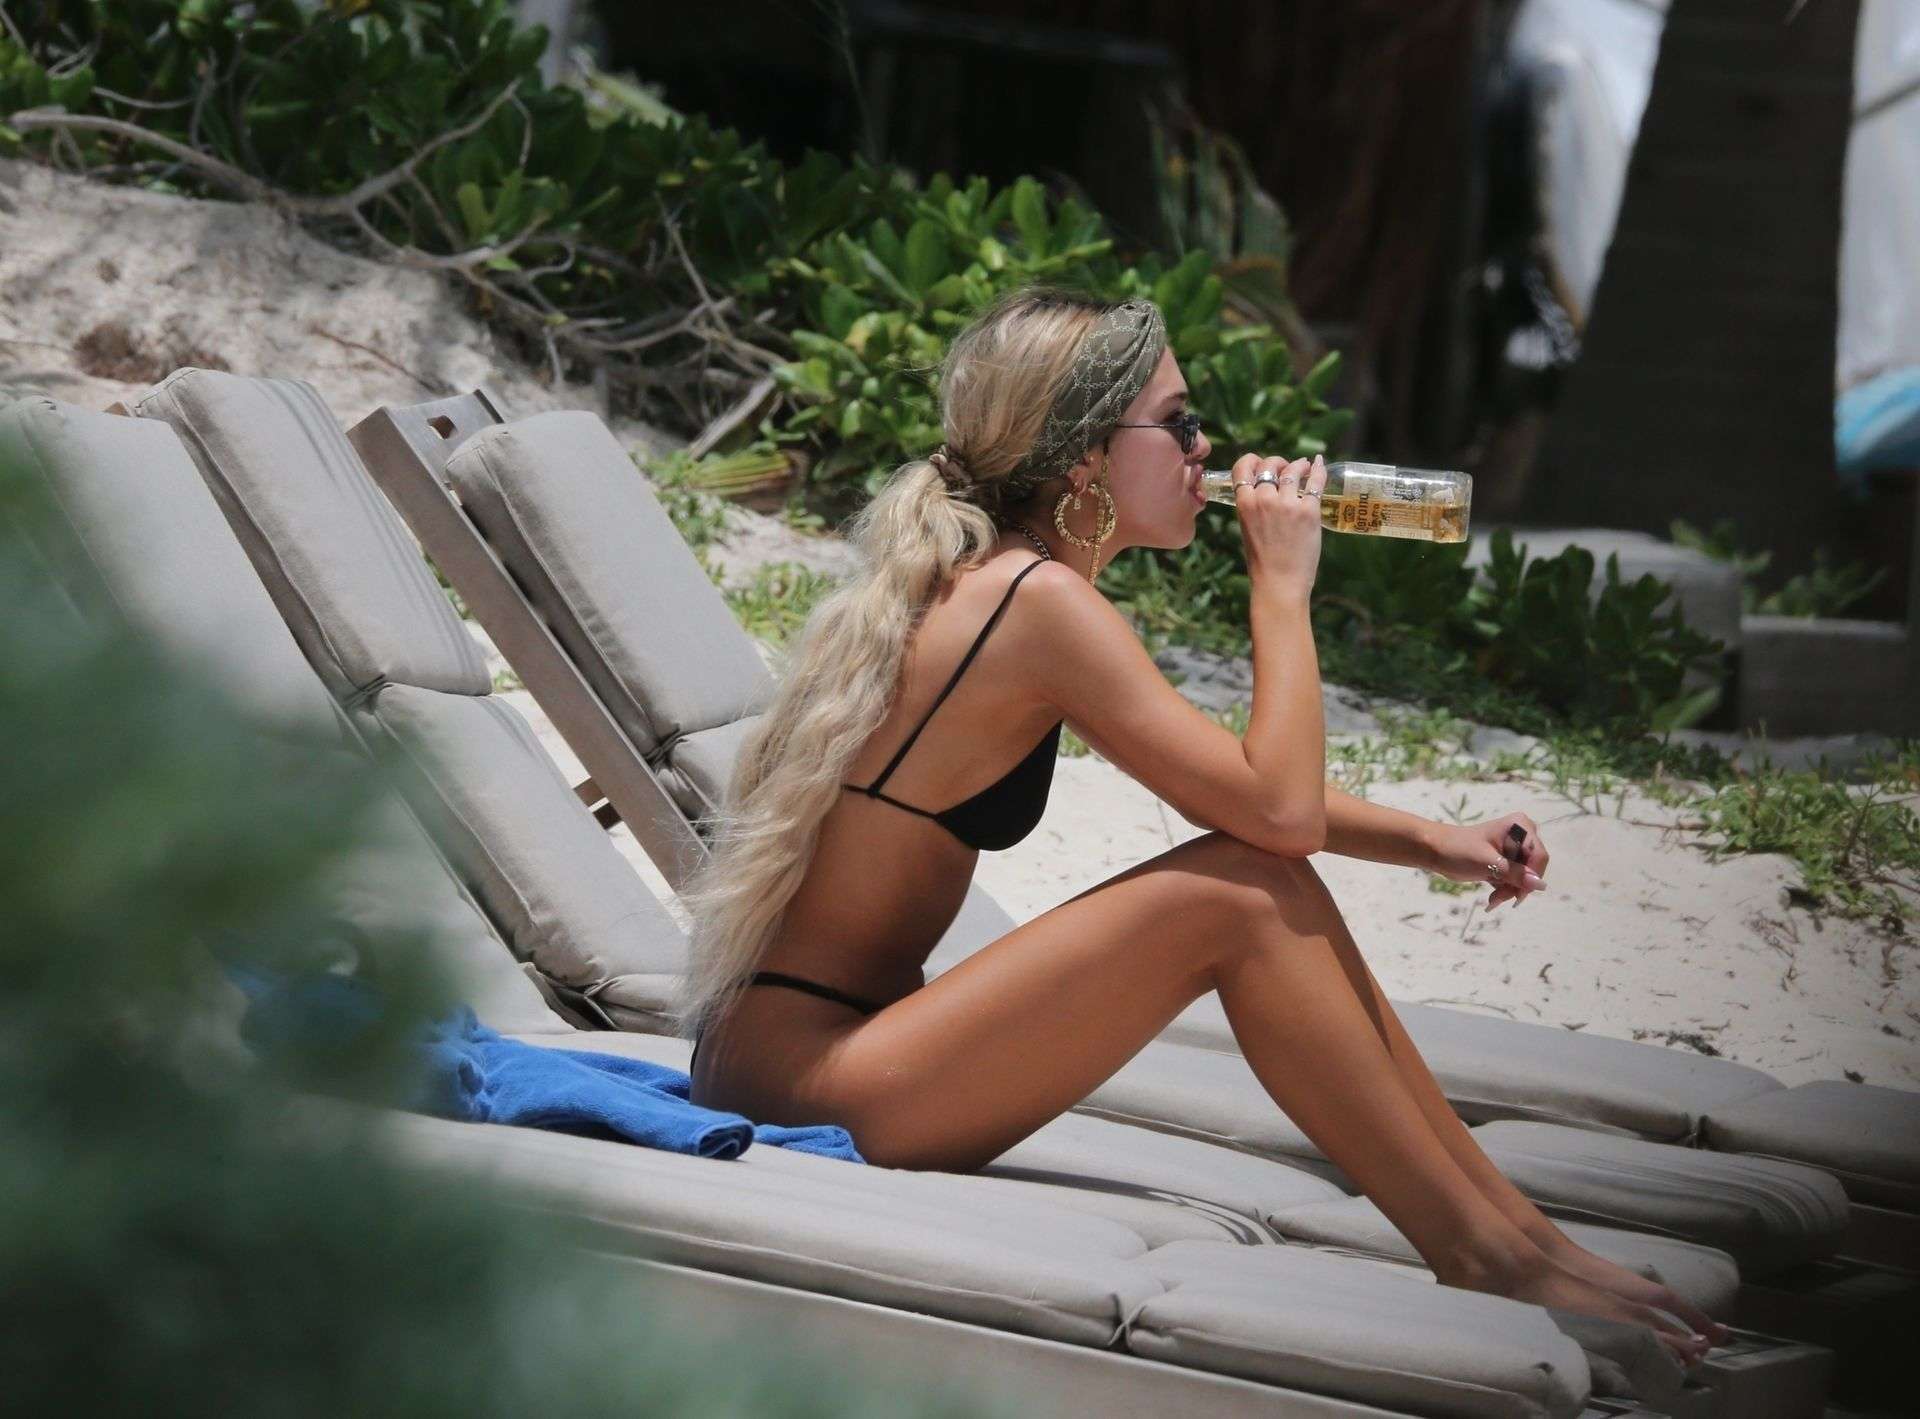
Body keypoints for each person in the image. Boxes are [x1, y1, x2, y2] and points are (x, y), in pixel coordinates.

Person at [679, 287, 1726, 1363]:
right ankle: (1490, 1254)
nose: (1206, 447)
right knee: (1242, 895)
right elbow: (1275, 810)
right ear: (1084, 459)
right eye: (1176, 423)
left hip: (813, 1056)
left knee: (1256, 879)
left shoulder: (1010, 588)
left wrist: (1429, 840)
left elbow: (1240, 791)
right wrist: (1281, 589)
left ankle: (1520, 1240)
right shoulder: (1032, 603)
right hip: (813, 1083)